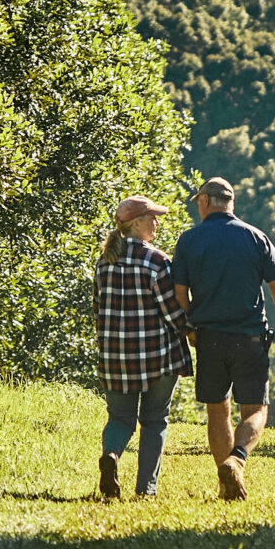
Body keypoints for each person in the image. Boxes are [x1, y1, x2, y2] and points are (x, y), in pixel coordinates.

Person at [169, 176, 275, 500]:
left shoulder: (189, 240)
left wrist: (189, 328)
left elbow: (179, 293)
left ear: (205, 201)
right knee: (256, 410)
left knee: (217, 411)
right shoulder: (256, 237)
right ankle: (237, 460)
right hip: (250, 337)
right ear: (231, 202)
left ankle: (227, 482)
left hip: (209, 337)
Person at [92, 194, 191, 499]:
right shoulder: (157, 261)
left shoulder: (104, 262)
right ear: (136, 224)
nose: (157, 223)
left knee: (120, 418)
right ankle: (146, 489)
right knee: (154, 419)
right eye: (152, 218)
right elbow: (172, 312)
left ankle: (112, 454)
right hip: (155, 358)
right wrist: (191, 332)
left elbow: (98, 309)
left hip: (114, 358)